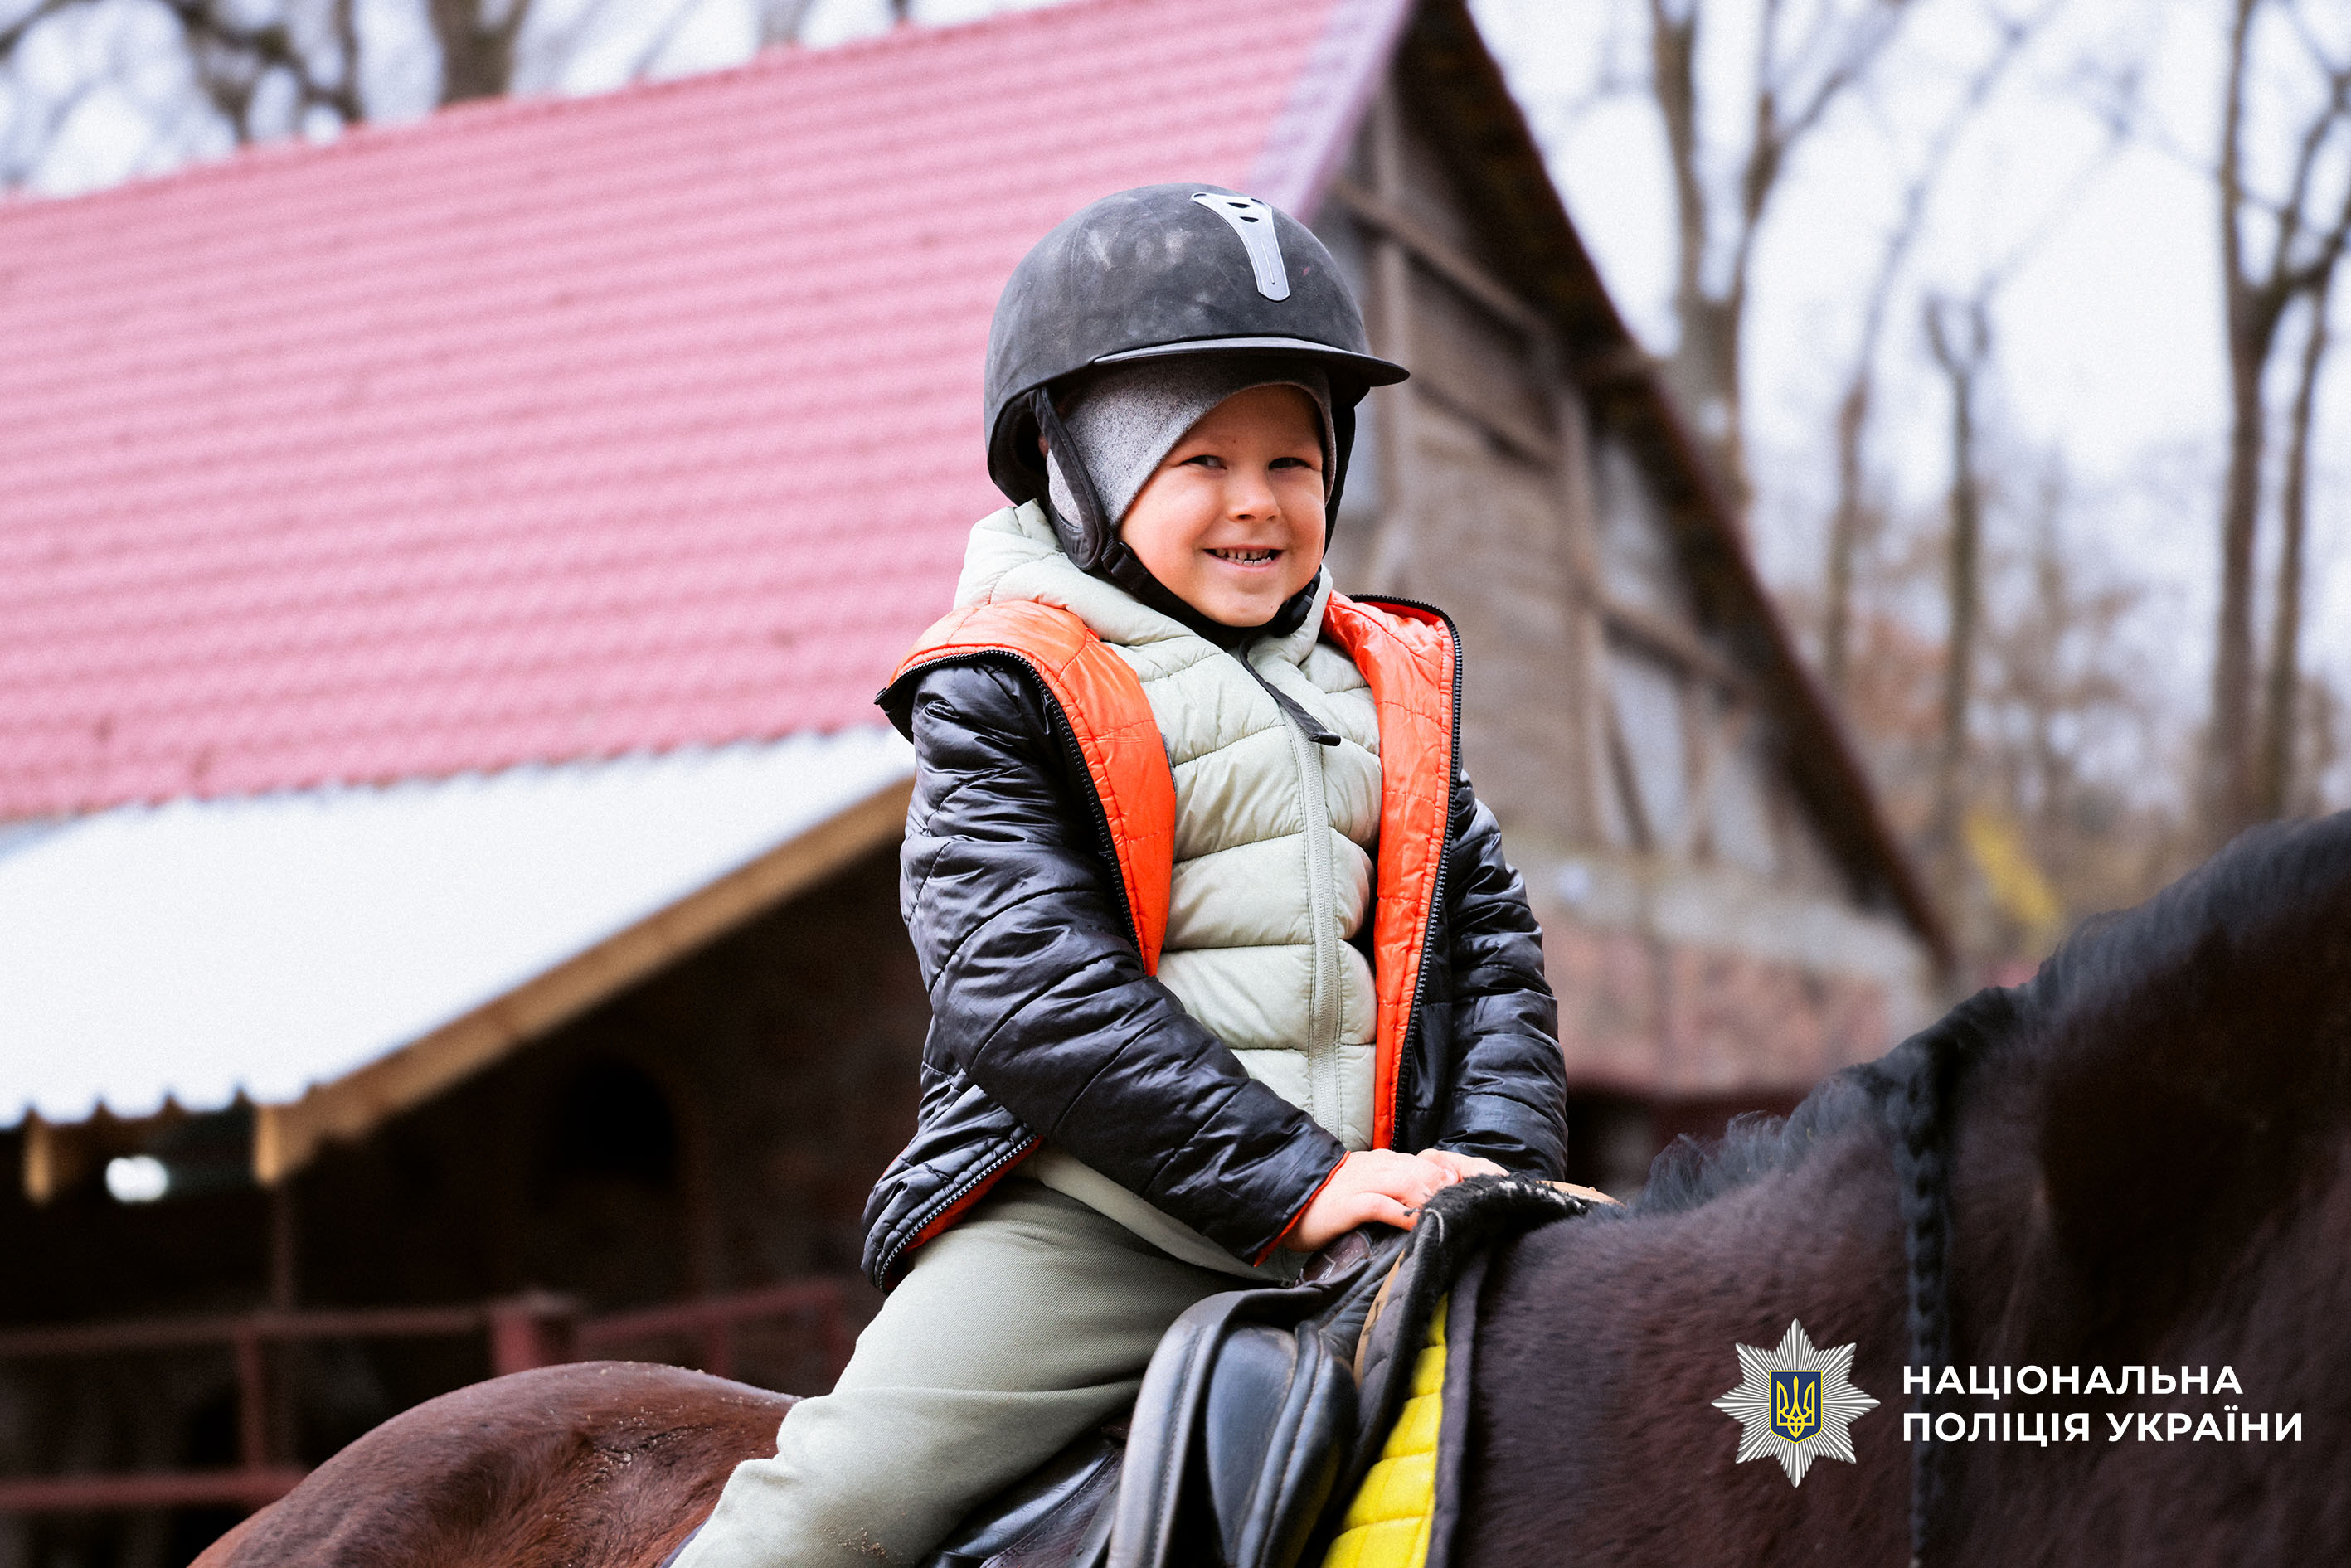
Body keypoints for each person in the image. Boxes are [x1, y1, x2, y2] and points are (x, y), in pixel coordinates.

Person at [674, 185, 1567, 1568]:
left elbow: (1488, 946)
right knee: (833, 1515)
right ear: (1074, 469)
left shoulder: (1387, 683)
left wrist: (1496, 1162)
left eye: (1294, 461)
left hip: (1388, 1217)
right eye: (1201, 460)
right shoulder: (1008, 684)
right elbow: (1024, 985)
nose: (1258, 502)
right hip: (1095, 1230)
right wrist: (1293, 1182)